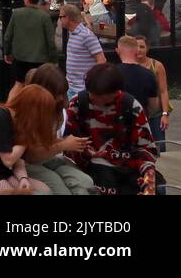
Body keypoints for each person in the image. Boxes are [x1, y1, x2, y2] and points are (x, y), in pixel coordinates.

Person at [64, 63, 159, 195]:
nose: (92, 97)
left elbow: (146, 151)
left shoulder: (131, 107)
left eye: (98, 95)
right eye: (91, 92)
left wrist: (149, 185)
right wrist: (86, 153)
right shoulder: (78, 103)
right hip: (91, 171)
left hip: (126, 170)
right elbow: (68, 145)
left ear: (115, 93)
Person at [12, 64, 94, 196]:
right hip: (27, 164)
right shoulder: (28, 112)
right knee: (61, 191)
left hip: (49, 158)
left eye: (63, 93)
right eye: (58, 94)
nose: (61, 98)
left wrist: (75, 145)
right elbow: (30, 155)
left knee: (85, 183)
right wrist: (62, 145)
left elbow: (49, 141)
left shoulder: (57, 109)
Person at [2, 0, 56, 82]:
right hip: (40, 59)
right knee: (38, 86)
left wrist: (7, 52)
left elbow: (7, 36)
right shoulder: (45, 17)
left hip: (19, 58)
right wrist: (54, 59)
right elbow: (51, 41)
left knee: (18, 84)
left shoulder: (16, 14)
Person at [115, 36, 158, 135]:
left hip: (117, 125)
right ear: (136, 51)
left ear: (117, 50)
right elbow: (153, 105)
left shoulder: (111, 72)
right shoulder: (148, 75)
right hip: (140, 125)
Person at [60, 4, 105, 96]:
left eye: (61, 17)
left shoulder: (87, 36)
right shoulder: (72, 33)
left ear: (67, 18)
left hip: (83, 89)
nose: (59, 19)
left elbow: (102, 60)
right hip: (71, 87)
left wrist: (90, 79)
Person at [136, 37, 170, 152]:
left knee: (160, 149)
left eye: (142, 46)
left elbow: (163, 90)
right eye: (136, 46)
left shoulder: (157, 65)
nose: (139, 50)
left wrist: (165, 114)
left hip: (155, 115)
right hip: (137, 115)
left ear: (147, 48)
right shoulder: (130, 65)